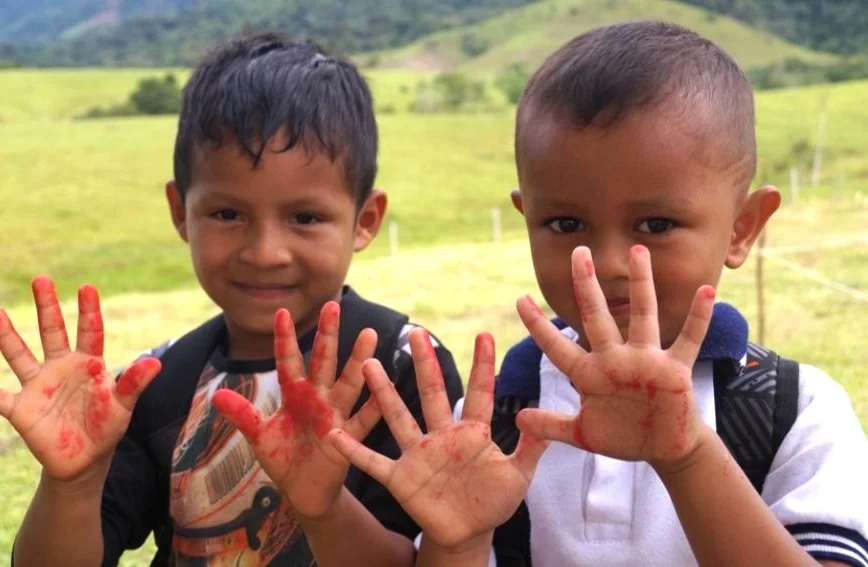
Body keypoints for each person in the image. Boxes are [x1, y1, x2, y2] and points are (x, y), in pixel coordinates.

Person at [326, 21, 868, 567]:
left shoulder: (793, 410)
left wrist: (687, 457)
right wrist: (458, 543)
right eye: (565, 224)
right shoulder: (497, 424)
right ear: (527, 218)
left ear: (742, 228)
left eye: (655, 224)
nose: (606, 262)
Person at [2, 32, 463, 566]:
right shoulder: (157, 383)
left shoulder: (398, 369)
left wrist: (325, 509)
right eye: (227, 214)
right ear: (180, 211)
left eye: (305, 218)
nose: (265, 252)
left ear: (365, 220)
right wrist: (73, 485)